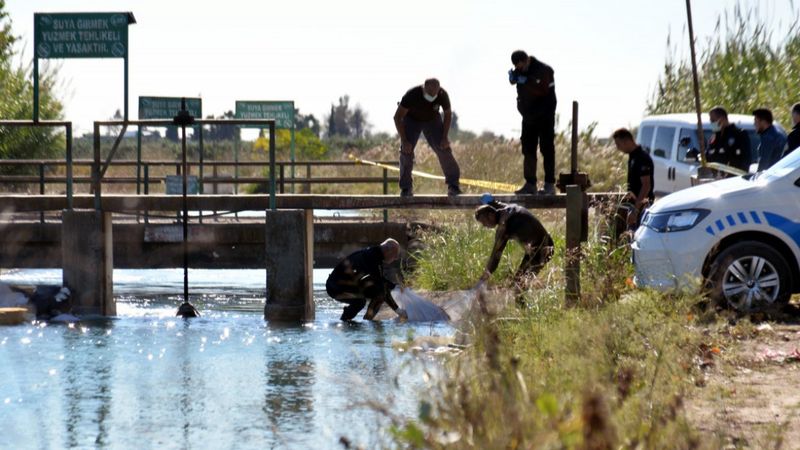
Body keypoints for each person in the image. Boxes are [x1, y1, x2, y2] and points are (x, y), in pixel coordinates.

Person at [393, 78, 461, 197]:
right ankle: (406, 188)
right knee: (406, 150)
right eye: (429, 94)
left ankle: (453, 186)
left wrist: (444, 137)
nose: (432, 96)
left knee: (444, 148)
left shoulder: (442, 95)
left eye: (435, 94)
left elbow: (448, 115)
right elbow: (397, 117)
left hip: (432, 120)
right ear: (424, 88)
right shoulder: (412, 94)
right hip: (412, 120)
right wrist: (404, 140)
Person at [508, 50, 557, 195]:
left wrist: (526, 80)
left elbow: (541, 88)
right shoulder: (519, 71)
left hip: (545, 116)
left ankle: (549, 185)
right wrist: (513, 78)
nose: (519, 69)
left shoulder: (544, 70)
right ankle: (530, 184)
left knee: (546, 149)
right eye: (517, 67)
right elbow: (516, 84)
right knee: (528, 150)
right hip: (528, 117)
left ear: (527, 60)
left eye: (521, 65)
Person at [475, 196, 554, 285]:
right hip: (540, 247)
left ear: (491, 215)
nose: (484, 226)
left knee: (518, 286)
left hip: (542, 251)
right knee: (518, 283)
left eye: (484, 222)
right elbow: (496, 204)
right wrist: (490, 201)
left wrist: (481, 281)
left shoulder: (503, 226)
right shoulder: (509, 208)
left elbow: (495, 258)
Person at [325, 238, 407, 321]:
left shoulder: (376, 255)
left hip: (348, 284)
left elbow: (382, 285)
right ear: (387, 250)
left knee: (379, 293)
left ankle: (368, 320)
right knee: (359, 301)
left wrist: (395, 288)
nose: (396, 258)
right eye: (395, 254)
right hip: (335, 287)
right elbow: (381, 283)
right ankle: (345, 322)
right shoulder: (372, 257)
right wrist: (398, 309)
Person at [612, 128, 655, 230]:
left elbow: (646, 186)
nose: (618, 148)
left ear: (626, 141)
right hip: (634, 206)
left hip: (642, 207)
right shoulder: (633, 157)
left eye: (618, 144)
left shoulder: (642, 158)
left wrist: (635, 210)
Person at [706, 106, 751, 172]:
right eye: (710, 121)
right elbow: (709, 156)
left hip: (732, 178)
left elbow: (746, 160)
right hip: (716, 178)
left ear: (722, 118)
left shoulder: (739, 134)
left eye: (713, 120)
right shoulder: (714, 137)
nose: (711, 123)